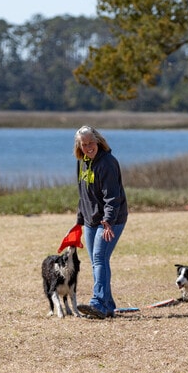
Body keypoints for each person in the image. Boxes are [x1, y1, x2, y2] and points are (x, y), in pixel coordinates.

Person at [73, 125, 128, 319]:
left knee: (99, 259)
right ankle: (108, 305)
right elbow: (83, 194)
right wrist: (79, 220)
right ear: (79, 145)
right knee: (97, 261)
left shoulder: (108, 163)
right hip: (91, 220)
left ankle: (98, 303)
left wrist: (108, 221)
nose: (88, 147)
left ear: (98, 141)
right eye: (84, 144)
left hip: (111, 220)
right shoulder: (83, 162)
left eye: (91, 143)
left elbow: (112, 197)